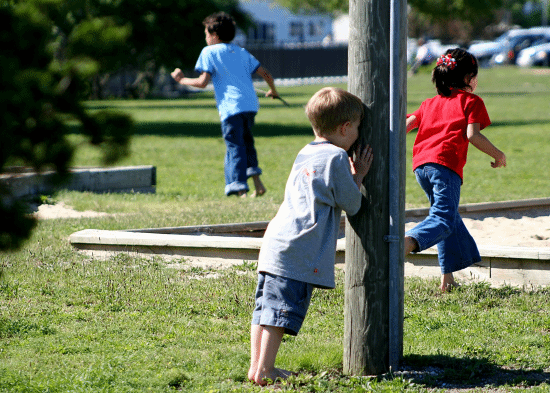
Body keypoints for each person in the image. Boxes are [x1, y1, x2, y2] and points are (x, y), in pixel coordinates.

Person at [248, 87, 374, 385]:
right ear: (345, 128)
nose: (358, 134)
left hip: (276, 241)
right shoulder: (337, 158)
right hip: (298, 247)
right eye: (356, 128)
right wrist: (359, 177)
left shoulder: (306, 151)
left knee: (264, 309)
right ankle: (265, 370)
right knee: (279, 312)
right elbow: (352, 204)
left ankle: (257, 367)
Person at [404, 48, 507, 292]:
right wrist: (498, 154)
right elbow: (473, 135)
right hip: (445, 166)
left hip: (421, 167)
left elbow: (406, 125)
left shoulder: (429, 103)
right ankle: (404, 244)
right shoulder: (472, 102)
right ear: (466, 78)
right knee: (442, 219)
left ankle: (447, 279)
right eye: (474, 75)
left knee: (448, 219)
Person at [171, 12, 279, 197]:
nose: (206, 38)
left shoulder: (209, 52)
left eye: (206, 33)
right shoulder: (241, 51)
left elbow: (203, 82)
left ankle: (239, 188)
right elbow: (266, 74)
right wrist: (273, 91)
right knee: (247, 143)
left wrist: (182, 80)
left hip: (231, 107)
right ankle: (258, 184)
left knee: (234, 146)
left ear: (214, 35)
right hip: (250, 106)